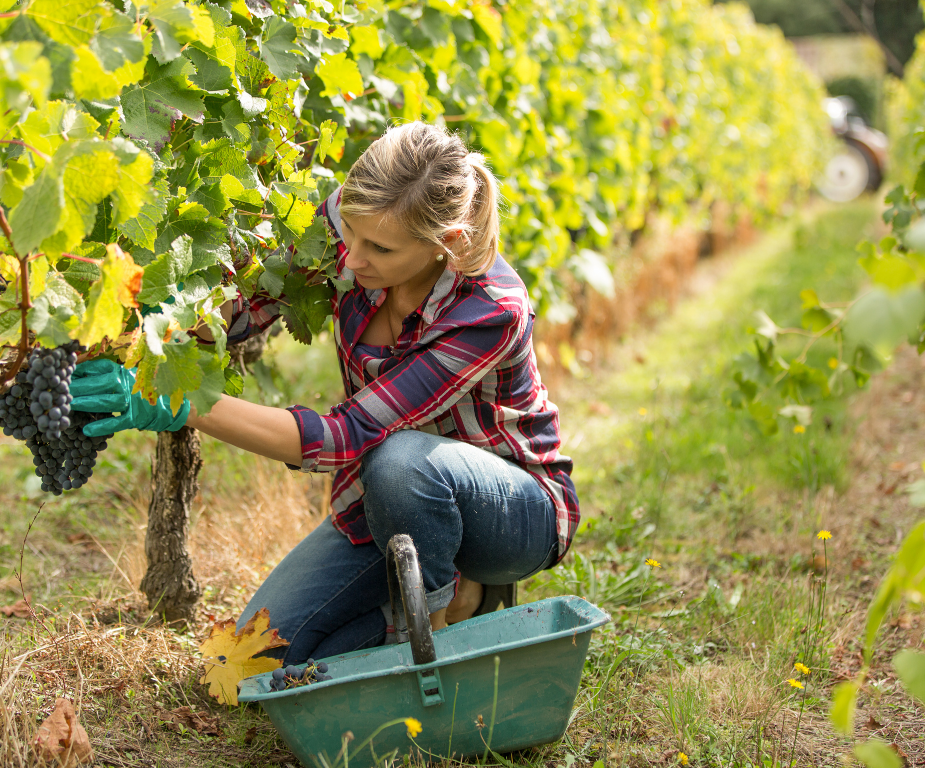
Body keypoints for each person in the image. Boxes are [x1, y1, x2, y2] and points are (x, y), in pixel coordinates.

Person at [70, 122, 579, 664]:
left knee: (401, 461)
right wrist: (151, 324)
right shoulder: (352, 224)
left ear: (445, 244)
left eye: (378, 248)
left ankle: (440, 634)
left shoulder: (488, 310)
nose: (351, 259)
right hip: (384, 505)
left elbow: (346, 438)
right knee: (252, 661)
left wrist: (184, 403)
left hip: (509, 512)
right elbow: (247, 306)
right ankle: (431, 597)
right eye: (350, 234)